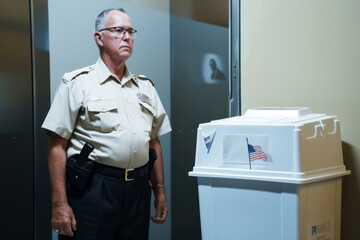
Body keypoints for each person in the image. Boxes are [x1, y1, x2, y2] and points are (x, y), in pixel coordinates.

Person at [42, 8, 171, 240]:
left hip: (137, 190)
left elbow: (154, 142)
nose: (127, 36)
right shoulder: (78, 83)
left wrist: (159, 191)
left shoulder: (145, 88)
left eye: (130, 31)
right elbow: (56, 146)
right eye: (118, 30)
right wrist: (59, 204)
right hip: (93, 189)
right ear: (99, 38)